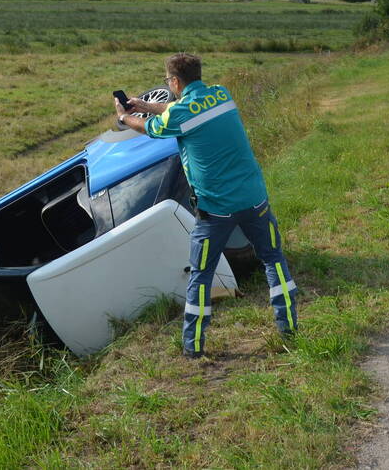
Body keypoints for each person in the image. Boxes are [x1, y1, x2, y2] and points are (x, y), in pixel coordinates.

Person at [113, 53, 299, 359]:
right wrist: (147, 106)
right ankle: (289, 326)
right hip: (255, 199)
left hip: (216, 210)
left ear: (174, 82)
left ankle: (193, 347)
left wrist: (125, 116)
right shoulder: (221, 95)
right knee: (273, 260)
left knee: (201, 275)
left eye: (167, 81)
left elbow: (149, 128)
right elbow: (182, 111)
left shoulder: (180, 114)